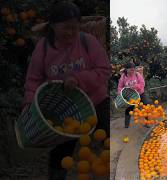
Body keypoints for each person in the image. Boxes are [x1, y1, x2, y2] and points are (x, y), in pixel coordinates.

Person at [21, 2, 111, 179]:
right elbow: (33, 81)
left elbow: (104, 70)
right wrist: (29, 106)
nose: (70, 32)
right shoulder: (44, 48)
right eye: (65, 27)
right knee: (60, 154)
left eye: (74, 28)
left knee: (111, 139)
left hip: (96, 101)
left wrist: (78, 79)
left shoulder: (87, 41)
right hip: (64, 109)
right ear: (53, 25)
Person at [117, 62, 149, 128]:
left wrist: (135, 86)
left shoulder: (137, 75)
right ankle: (126, 125)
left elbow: (142, 84)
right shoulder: (123, 77)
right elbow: (120, 87)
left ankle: (147, 123)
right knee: (129, 109)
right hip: (130, 96)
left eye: (133, 69)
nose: (132, 71)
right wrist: (121, 94)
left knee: (145, 106)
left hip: (140, 93)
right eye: (131, 69)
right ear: (127, 69)